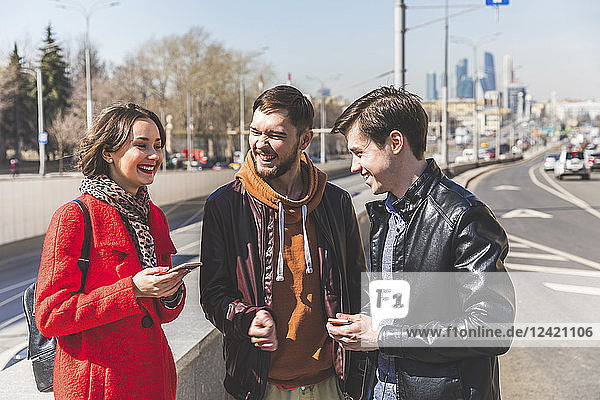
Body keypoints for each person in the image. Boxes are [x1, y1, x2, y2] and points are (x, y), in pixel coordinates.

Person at [326, 87, 515, 400]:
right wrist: (368, 325)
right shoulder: (385, 216)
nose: (353, 166)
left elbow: (491, 327)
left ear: (395, 143)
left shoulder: (463, 216)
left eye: (360, 153)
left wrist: (384, 335)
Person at [200, 85, 367, 400]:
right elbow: (213, 296)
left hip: (333, 384)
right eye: (254, 132)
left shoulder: (336, 202)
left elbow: (357, 287)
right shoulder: (225, 206)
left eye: (275, 135)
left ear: (305, 140)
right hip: (258, 387)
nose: (260, 145)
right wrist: (247, 319)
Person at [35, 103, 188, 400]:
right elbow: (50, 314)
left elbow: (162, 314)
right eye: (140, 145)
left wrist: (169, 293)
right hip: (99, 386)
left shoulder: (154, 216)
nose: (154, 156)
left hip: (154, 380)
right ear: (108, 152)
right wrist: (132, 290)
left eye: (157, 145)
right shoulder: (74, 216)